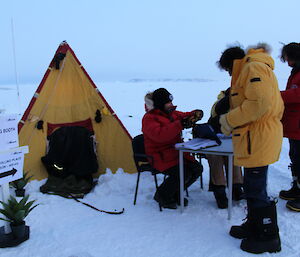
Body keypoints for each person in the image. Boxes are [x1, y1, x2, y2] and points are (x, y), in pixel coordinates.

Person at [217, 44, 284, 254]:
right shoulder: (252, 68)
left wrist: (228, 119)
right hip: (253, 138)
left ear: (232, 64)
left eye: (228, 70)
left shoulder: (252, 68)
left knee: (256, 189)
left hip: (258, 137)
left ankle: (268, 236)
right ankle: (255, 224)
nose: (229, 74)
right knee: (253, 186)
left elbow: (259, 103)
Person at [142, 88, 203, 209]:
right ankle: (162, 195)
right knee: (183, 173)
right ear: (160, 104)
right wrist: (180, 124)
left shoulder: (172, 113)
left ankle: (175, 193)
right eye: (168, 103)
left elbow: (185, 116)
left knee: (197, 169)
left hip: (175, 153)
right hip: (159, 156)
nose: (171, 104)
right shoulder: (149, 118)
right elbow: (160, 135)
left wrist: (195, 114)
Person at [207, 88, 244, 209]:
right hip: (214, 140)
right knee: (216, 158)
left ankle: (236, 188)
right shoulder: (221, 104)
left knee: (233, 158)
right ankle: (220, 193)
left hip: (230, 139)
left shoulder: (239, 103)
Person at [278, 43, 300, 212]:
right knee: (294, 156)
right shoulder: (295, 72)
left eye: (286, 56)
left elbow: (297, 94)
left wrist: (276, 95)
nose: (285, 60)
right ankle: (297, 187)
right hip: (294, 124)